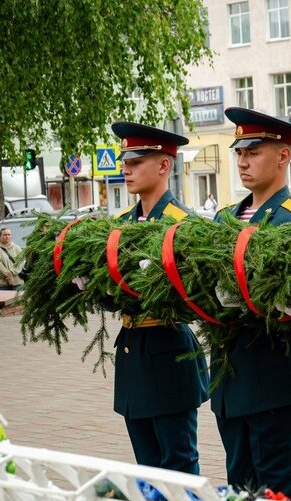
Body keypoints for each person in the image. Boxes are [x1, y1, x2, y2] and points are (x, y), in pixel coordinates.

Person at [211, 107, 291, 501]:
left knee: (277, 493)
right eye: (239, 152)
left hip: (274, 374)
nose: (243, 161)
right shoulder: (225, 219)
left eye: (253, 152)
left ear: (283, 156)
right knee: (239, 491)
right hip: (229, 375)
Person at [108, 121, 209, 474]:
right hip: (132, 351)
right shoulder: (121, 225)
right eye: (125, 160)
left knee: (177, 465)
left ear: (164, 165)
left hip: (169, 353)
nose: (126, 168)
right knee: (147, 469)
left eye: (136, 161)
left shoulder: (185, 224)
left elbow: (197, 295)